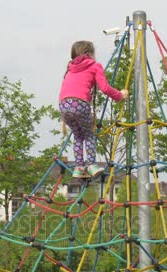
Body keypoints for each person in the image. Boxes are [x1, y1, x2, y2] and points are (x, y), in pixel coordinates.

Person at [58, 40, 128, 178]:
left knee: (78, 136)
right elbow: (105, 88)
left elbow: (65, 89)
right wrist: (120, 96)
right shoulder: (95, 66)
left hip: (64, 105)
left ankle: (79, 168)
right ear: (89, 53)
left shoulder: (70, 68)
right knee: (89, 134)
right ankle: (91, 165)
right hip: (80, 103)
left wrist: (64, 117)